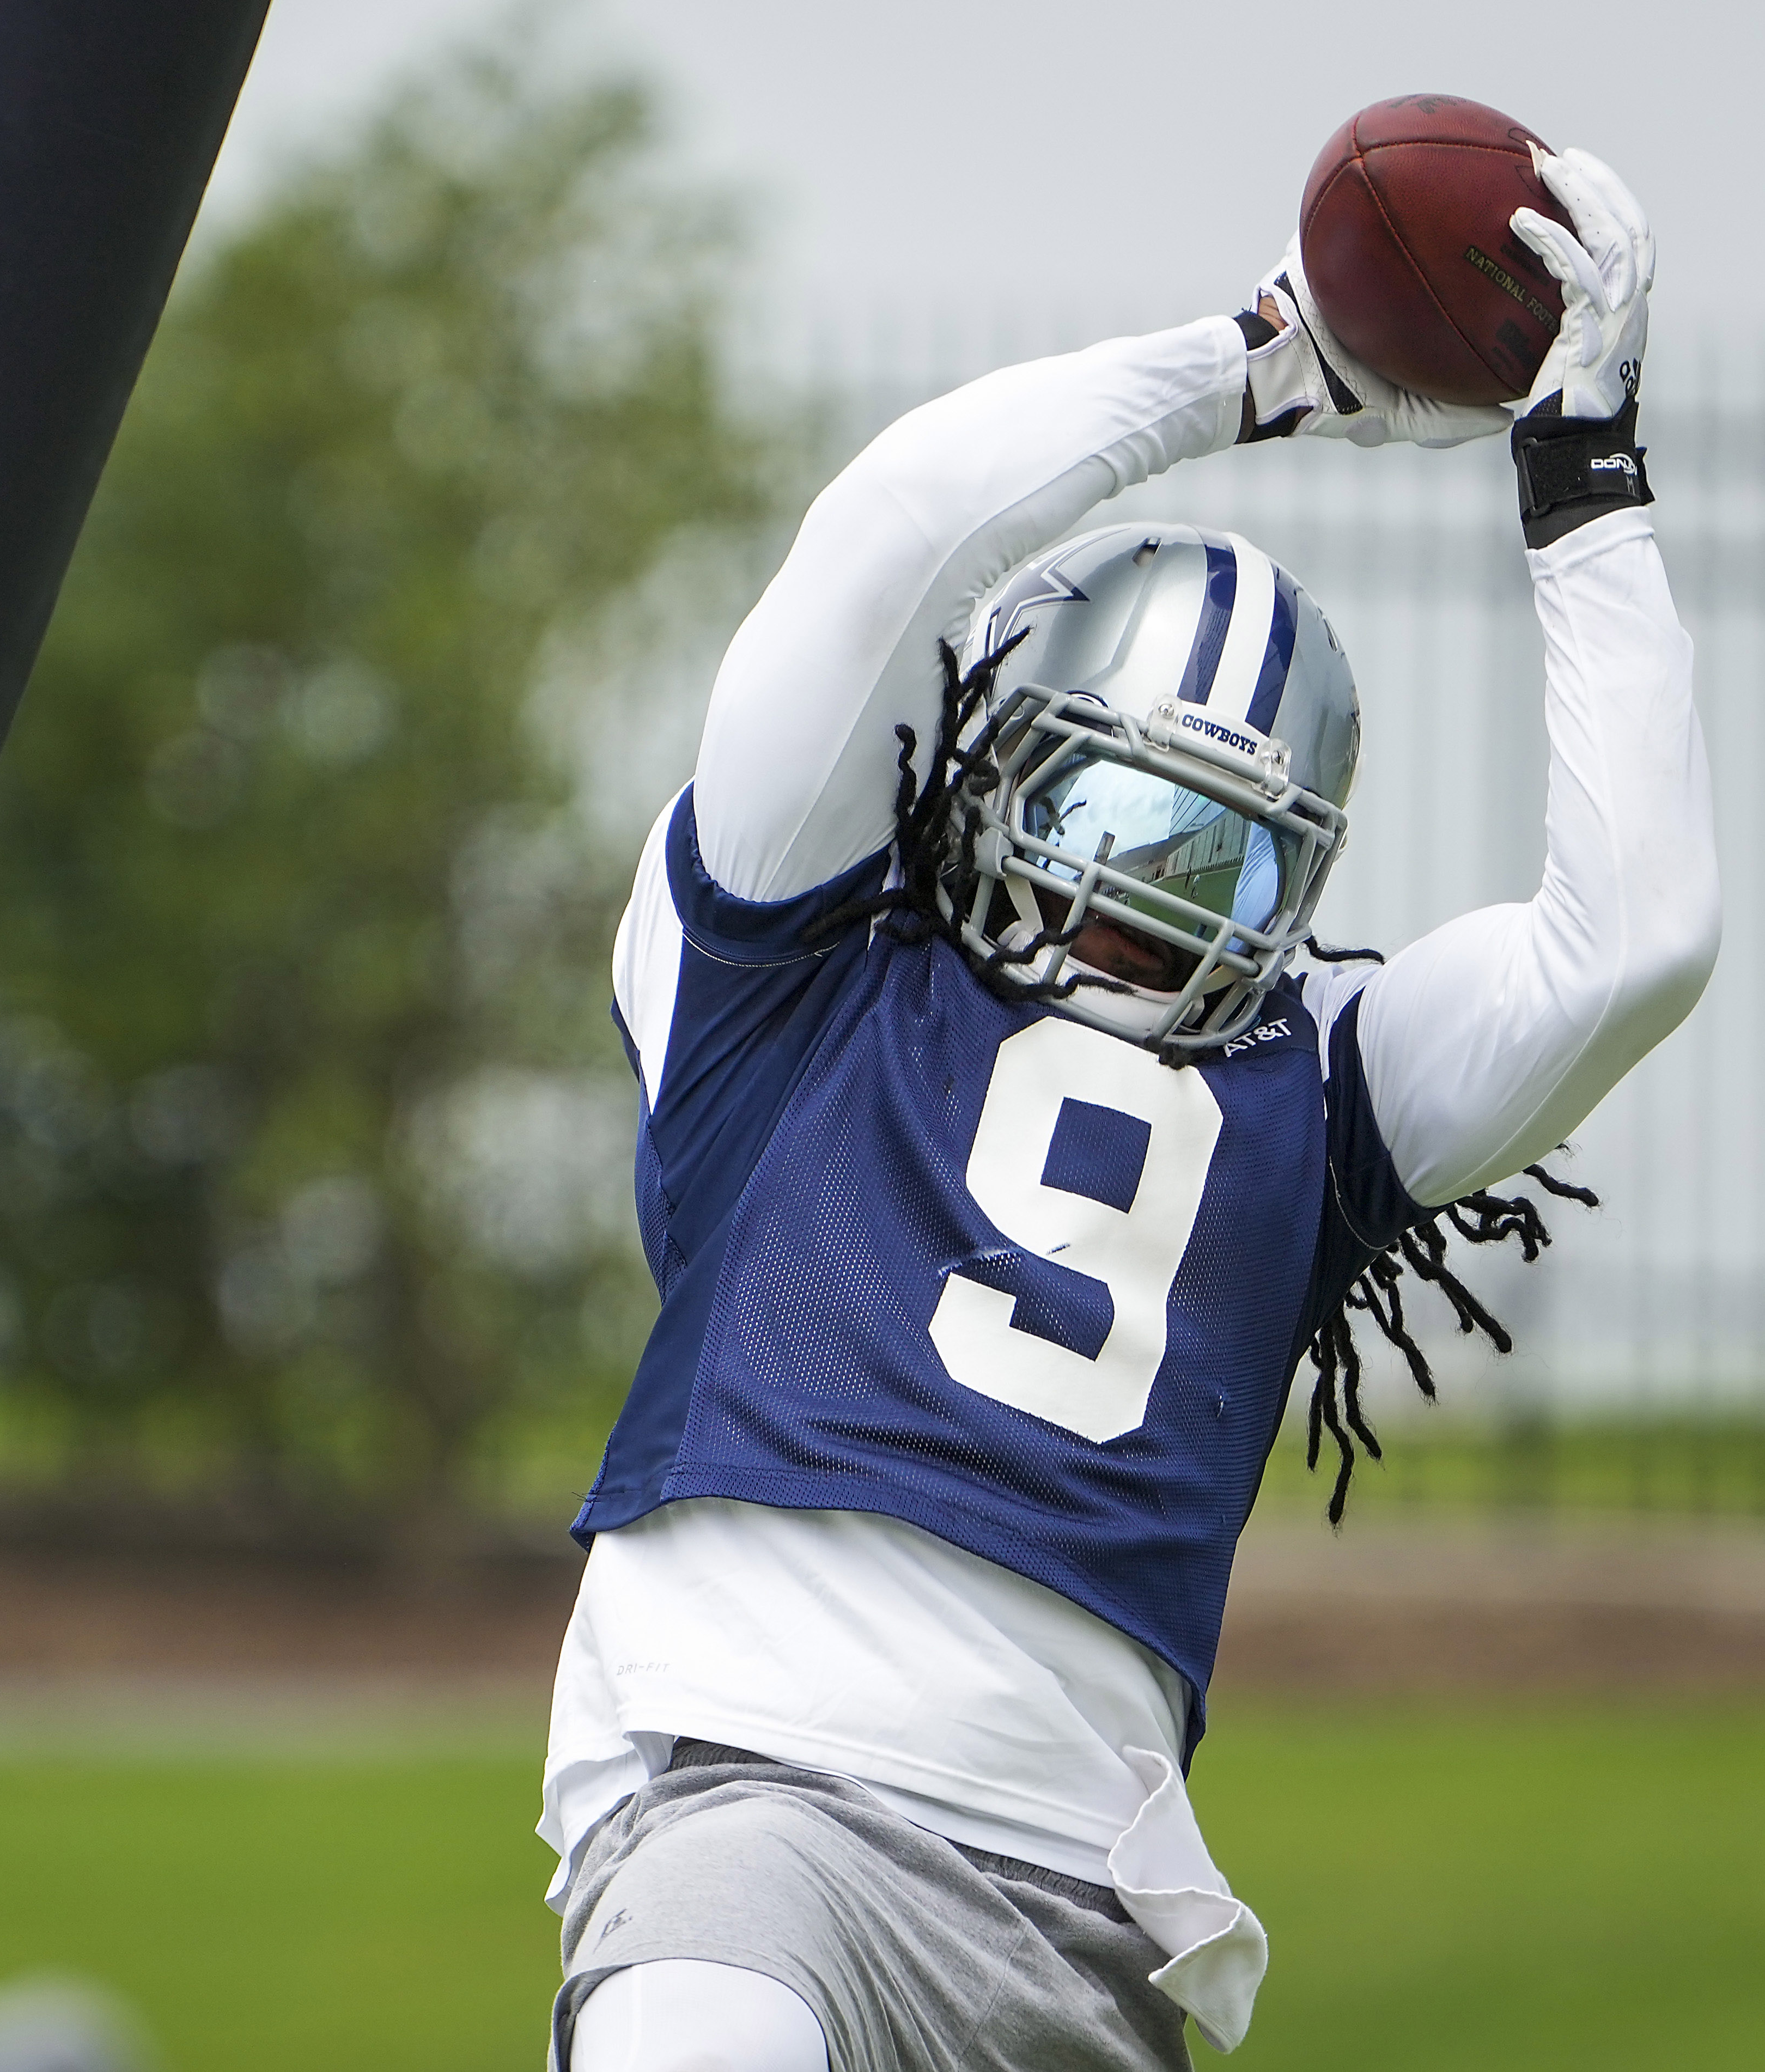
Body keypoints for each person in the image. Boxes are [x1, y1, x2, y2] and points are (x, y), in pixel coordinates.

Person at [544, 149, 1710, 2072]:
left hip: (1084, 1916)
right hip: (740, 1799)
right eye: (1110, 812)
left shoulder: (1312, 1085)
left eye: (1230, 860)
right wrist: (1264, 356)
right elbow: (897, 530)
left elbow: (1635, 942)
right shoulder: (796, 958)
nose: (1153, 893)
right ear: (982, 757)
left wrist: (1584, 490)